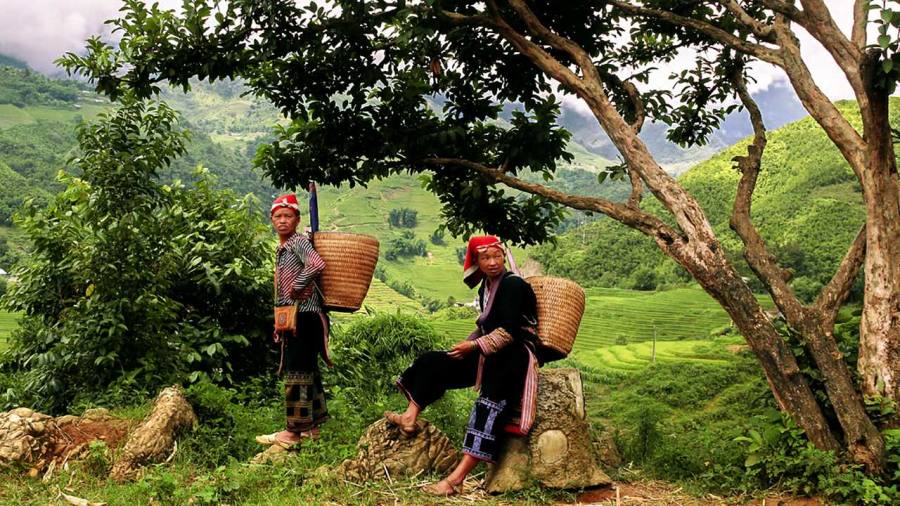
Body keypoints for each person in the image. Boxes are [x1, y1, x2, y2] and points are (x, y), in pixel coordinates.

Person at [385, 235, 540, 496]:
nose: (492, 262)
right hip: (486, 351)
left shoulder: (512, 285)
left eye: (496, 256)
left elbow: (510, 331)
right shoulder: (486, 287)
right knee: (433, 362)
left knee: (487, 408)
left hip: (512, 356)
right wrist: (466, 345)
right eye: (485, 258)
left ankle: (455, 480)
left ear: (503, 256)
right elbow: (484, 326)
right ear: (477, 262)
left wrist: (474, 347)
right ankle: (409, 417)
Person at [256, 194, 331, 449]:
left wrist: (296, 288)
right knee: (308, 370)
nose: (282, 221)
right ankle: (312, 427)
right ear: (271, 219)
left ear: (297, 220)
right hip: (298, 318)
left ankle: (293, 432)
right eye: (278, 216)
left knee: (296, 372)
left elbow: (315, 264)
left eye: (288, 216)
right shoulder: (284, 246)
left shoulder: (298, 242)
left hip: (304, 317)